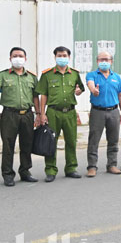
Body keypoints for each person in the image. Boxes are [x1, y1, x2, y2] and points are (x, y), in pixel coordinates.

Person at [0, 47, 40, 186]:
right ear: (10, 59)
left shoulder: (32, 77)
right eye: (15, 56)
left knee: (27, 144)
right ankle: (8, 174)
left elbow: (35, 97)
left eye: (20, 56)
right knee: (8, 145)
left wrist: (38, 114)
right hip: (10, 115)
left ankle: (25, 171)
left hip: (27, 114)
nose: (18, 58)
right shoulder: (3, 75)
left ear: (25, 59)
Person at [36, 46, 85, 182]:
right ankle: (50, 170)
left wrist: (78, 91)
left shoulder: (74, 74)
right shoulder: (47, 74)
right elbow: (43, 94)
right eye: (59, 55)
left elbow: (80, 88)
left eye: (64, 55)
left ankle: (71, 168)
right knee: (51, 141)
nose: (62, 58)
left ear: (69, 57)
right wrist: (42, 114)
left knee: (71, 141)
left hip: (69, 112)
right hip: (53, 112)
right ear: (55, 57)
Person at [85, 52, 121, 176]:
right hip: (97, 112)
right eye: (101, 59)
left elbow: (120, 95)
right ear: (97, 61)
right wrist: (94, 90)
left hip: (114, 111)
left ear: (111, 61)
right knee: (94, 140)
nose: (104, 62)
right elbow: (90, 84)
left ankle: (112, 165)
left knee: (113, 140)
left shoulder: (117, 77)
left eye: (106, 59)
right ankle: (92, 167)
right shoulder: (92, 75)